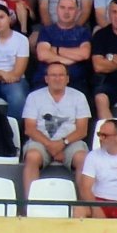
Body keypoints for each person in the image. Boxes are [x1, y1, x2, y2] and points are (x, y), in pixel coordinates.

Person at [22, 61, 91, 190]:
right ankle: (30, 201)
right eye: (53, 75)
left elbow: (82, 130)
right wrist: (50, 145)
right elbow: (30, 129)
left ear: (67, 79)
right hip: (41, 142)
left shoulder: (79, 97)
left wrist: (62, 143)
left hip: (70, 142)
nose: (57, 79)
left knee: (83, 159)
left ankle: (84, 201)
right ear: (46, 79)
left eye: (61, 75)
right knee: (32, 157)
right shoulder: (34, 97)